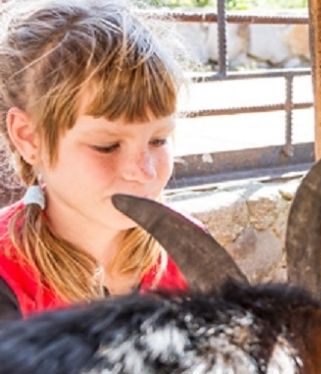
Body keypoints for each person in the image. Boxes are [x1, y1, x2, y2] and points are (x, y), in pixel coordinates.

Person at [0, 0, 189, 323]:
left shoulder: (189, 253)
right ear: (29, 138)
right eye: (107, 146)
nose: (144, 172)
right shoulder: (8, 280)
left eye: (158, 140)